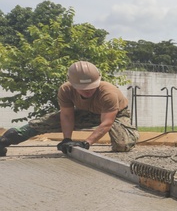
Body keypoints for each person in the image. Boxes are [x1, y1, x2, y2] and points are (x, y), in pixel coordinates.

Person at [0, 61, 138, 156]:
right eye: (83, 89)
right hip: (87, 112)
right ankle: (8, 139)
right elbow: (66, 116)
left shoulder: (108, 93)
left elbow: (106, 122)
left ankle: (131, 134)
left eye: (91, 87)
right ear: (73, 84)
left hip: (116, 115)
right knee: (46, 121)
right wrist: (67, 139)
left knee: (122, 145)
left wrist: (86, 143)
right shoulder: (66, 90)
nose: (88, 91)